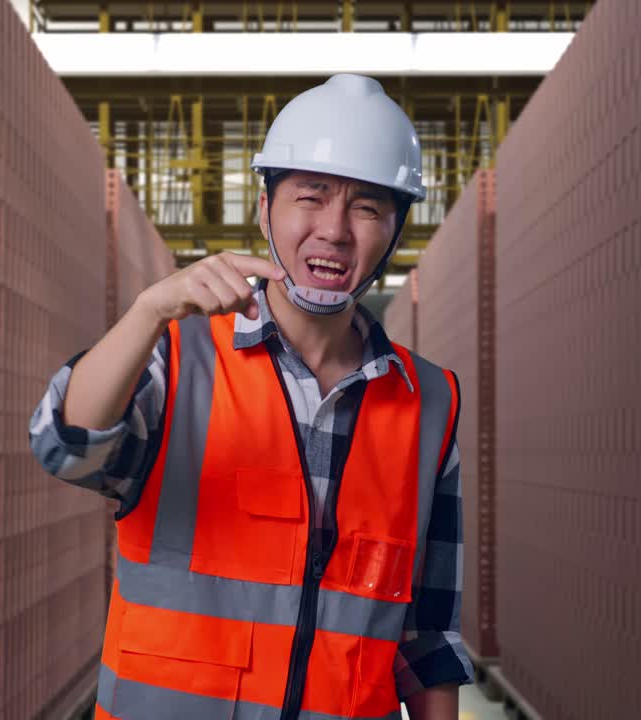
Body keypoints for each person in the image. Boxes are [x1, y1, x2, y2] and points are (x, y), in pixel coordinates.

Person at [29, 73, 474, 720]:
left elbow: (429, 636)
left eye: (368, 207)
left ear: (394, 231)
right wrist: (149, 311)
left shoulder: (429, 402)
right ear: (266, 210)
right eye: (310, 198)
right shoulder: (178, 362)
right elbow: (63, 448)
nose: (335, 230)